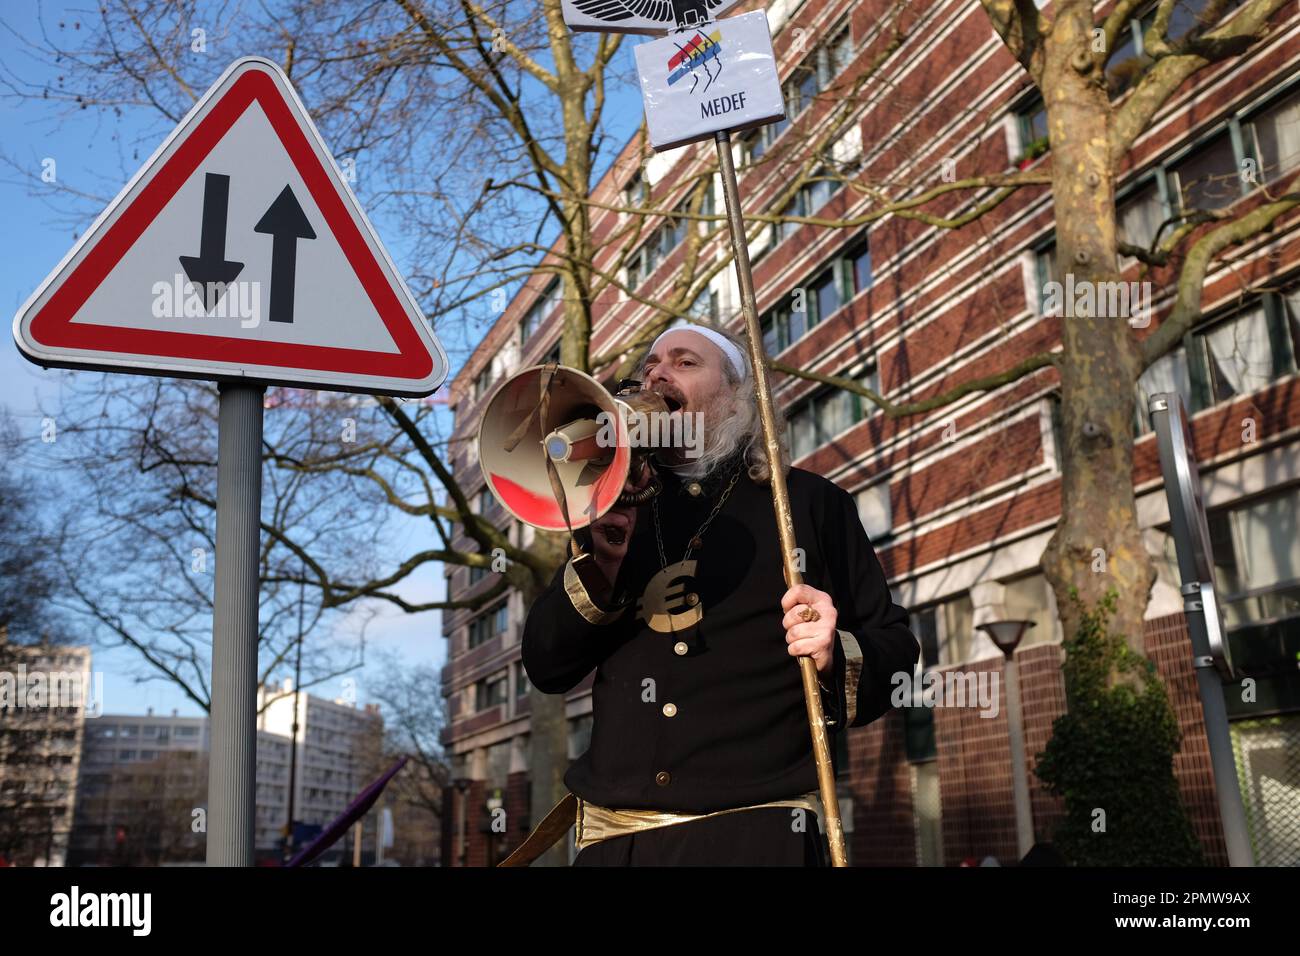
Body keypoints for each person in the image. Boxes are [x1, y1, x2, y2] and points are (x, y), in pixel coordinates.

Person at [519, 322, 920, 866]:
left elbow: (894, 655)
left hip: (757, 836)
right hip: (618, 845)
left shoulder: (808, 504)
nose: (657, 374)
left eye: (685, 363)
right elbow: (546, 666)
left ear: (738, 396)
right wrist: (602, 564)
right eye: (650, 366)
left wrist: (832, 652)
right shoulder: (614, 506)